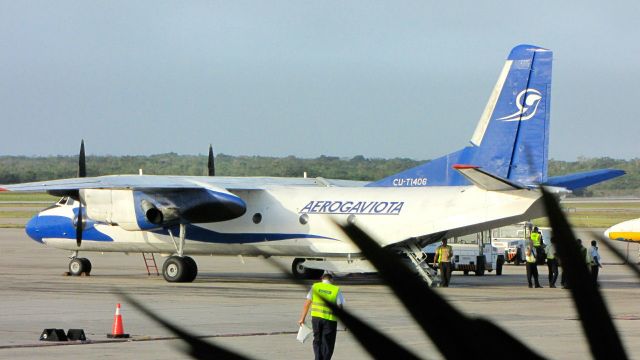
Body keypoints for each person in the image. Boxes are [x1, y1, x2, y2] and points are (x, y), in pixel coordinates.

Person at [298, 273, 345, 360]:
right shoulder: (335, 289)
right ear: (331, 280)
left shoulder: (315, 287)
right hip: (330, 320)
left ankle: (317, 358)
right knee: (328, 343)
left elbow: (307, 304)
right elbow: (340, 306)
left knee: (317, 340)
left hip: (316, 319)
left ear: (322, 279)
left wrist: (302, 318)